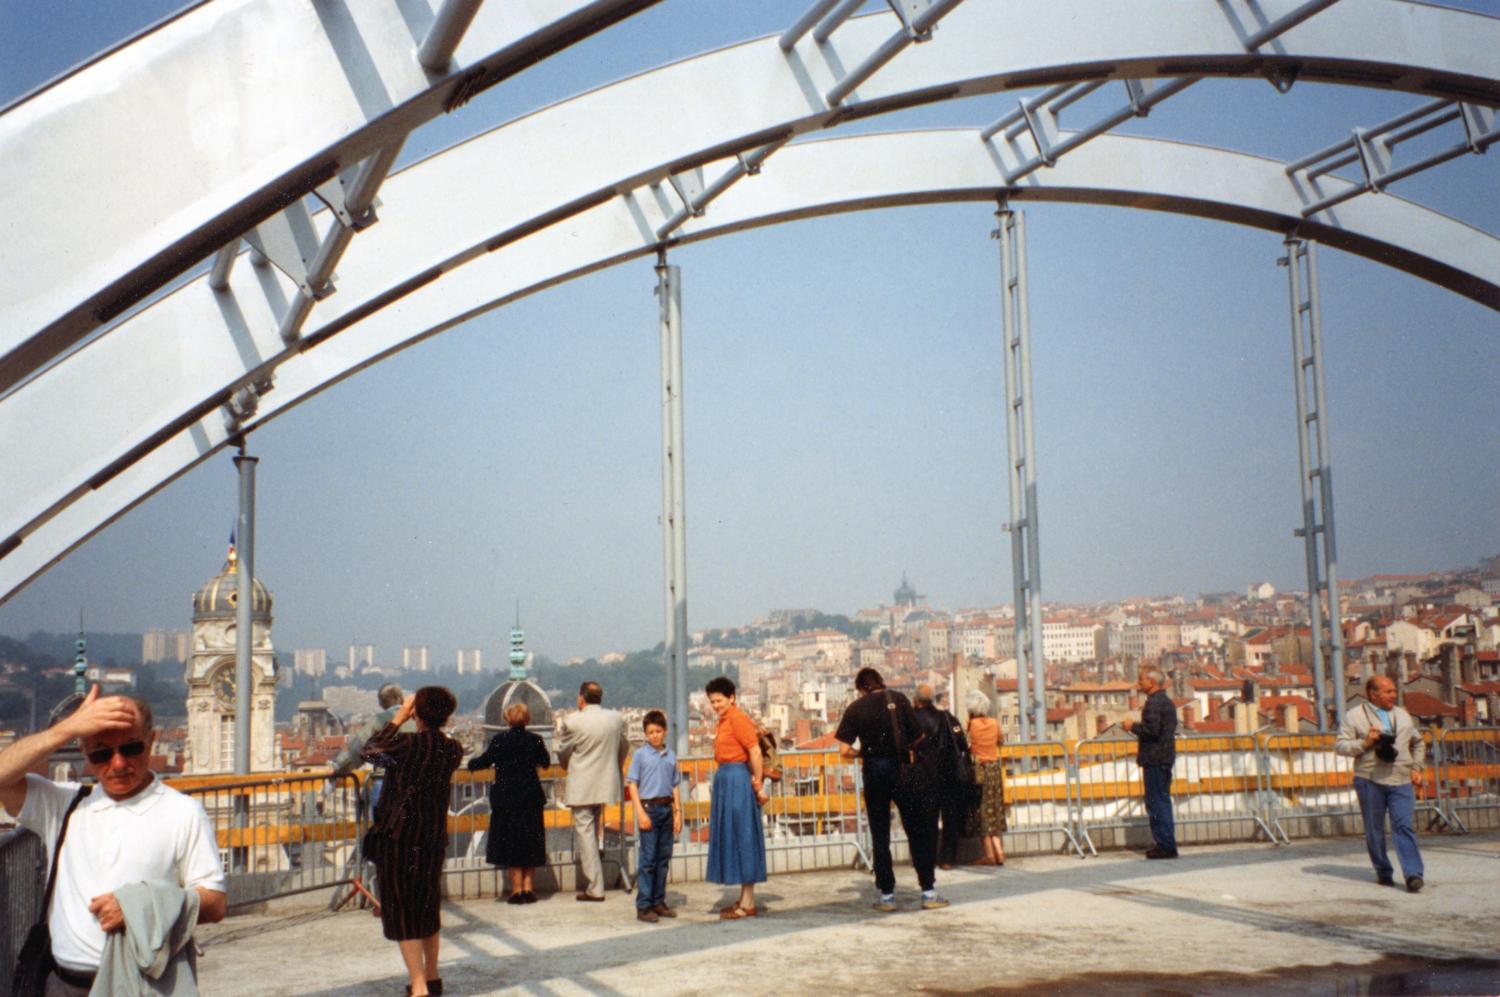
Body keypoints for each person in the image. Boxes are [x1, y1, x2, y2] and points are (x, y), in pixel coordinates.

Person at [0, 685, 226, 996]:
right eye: (101, 753)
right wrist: (68, 728)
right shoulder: (64, 805)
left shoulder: (183, 812)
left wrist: (138, 907)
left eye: (131, 748)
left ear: (151, 741)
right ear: (85, 753)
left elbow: (215, 903)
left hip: (139, 984)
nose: (118, 763)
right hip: (62, 983)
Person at [361, 686, 464, 997]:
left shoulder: (406, 745)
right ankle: (432, 978)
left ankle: (418, 986)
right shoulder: (453, 749)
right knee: (427, 907)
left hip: (399, 838)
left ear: (417, 713)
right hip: (432, 837)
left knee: (403, 911)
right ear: (447, 716)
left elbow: (369, 751)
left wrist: (398, 717)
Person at [835, 668, 946, 912]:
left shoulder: (856, 708)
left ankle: (887, 895)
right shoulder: (898, 699)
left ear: (861, 688)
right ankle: (928, 891)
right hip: (902, 768)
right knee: (915, 829)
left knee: (880, 832)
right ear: (880, 683)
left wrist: (863, 753)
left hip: (874, 771)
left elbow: (844, 751)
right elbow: (918, 737)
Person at [1335, 674, 1426, 892]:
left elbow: (1418, 743)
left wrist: (1417, 768)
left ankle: (1413, 874)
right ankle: (1383, 871)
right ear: (1373, 695)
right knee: (1374, 829)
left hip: (1401, 778)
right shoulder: (1354, 716)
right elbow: (1340, 746)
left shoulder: (1403, 716)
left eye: (1394, 691)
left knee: (1403, 825)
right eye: (1388, 692)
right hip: (1369, 779)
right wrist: (1365, 743)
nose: (1393, 695)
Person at [467, 701, 550, 904]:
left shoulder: (499, 740)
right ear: (527, 719)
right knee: (530, 842)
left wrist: (470, 763)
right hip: (530, 796)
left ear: (507, 719)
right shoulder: (536, 740)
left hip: (506, 798)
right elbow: (546, 762)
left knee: (512, 842)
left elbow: (483, 761)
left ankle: (516, 890)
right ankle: (529, 889)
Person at [555, 680, 630, 902]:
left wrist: (567, 765)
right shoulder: (615, 719)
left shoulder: (573, 721)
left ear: (581, 698)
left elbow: (564, 752)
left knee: (585, 835)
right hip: (607, 783)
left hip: (582, 786)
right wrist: (614, 769)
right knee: (594, 831)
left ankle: (595, 887)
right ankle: (598, 881)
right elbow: (623, 747)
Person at [704, 676, 768, 919]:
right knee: (737, 836)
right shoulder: (725, 719)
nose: (716, 705)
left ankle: (748, 903)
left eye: (719, 700)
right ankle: (744, 899)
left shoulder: (738, 718)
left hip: (737, 780)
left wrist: (758, 783)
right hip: (727, 779)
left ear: (731, 698)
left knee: (743, 836)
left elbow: (754, 751)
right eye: (712, 702)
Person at [626, 709, 682, 923]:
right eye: (650, 732)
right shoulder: (640, 755)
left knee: (663, 858)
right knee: (648, 859)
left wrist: (678, 812)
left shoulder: (671, 755)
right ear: (645, 734)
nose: (655, 736)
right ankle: (644, 905)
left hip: (666, 809)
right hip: (649, 808)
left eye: (658, 731)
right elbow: (632, 783)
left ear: (665, 732)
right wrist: (640, 812)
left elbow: (675, 785)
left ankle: (659, 901)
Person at [1121, 664, 1178, 859]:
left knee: (1155, 802)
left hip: (1154, 758)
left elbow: (1152, 731)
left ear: (1152, 682)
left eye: (1142, 679)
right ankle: (1167, 843)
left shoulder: (1153, 703)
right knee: (1162, 800)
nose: (1139, 682)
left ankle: (1164, 845)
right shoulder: (1167, 702)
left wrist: (1131, 726)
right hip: (1165, 757)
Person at [912, 684, 971, 870]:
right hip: (950, 774)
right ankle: (947, 858)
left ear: (916, 700)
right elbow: (962, 742)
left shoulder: (912, 719)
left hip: (925, 775)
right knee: (950, 818)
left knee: (927, 819)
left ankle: (928, 858)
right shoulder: (947, 717)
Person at [965, 691, 1007, 867]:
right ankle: (999, 850)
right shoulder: (994, 723)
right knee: (994, 810)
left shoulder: (971, 724)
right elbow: (1000, 741)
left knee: (982, 811)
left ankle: (989, 854)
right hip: (994, 770)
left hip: (979, 771)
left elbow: (967, 745)